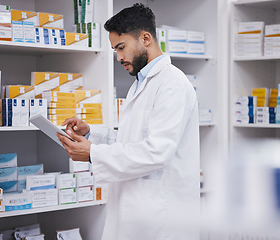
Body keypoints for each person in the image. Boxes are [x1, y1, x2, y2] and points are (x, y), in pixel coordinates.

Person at [57, 3, 200, 240]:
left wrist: (93, 153)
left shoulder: (172, 84)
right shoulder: (141, 83)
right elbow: (132, 139)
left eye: (121, 48)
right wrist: (91, 134)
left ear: (145, 38)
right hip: (137, 210)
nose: (118, 57)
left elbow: (157, 151)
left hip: (162, 219)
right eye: (115, 50)